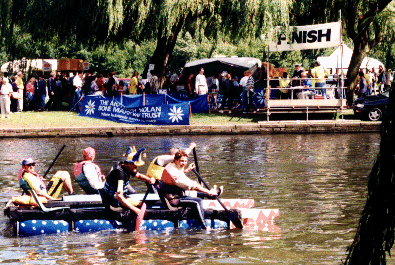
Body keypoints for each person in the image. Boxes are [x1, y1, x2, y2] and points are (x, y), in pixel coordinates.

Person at [159, 150, 221, 229]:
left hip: (176, 194)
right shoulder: (173, 171)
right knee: (198, 201)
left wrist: (187, 170)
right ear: (176, 160)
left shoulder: (172, 165)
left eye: (185, 161)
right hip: (173, 200)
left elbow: (181, 176)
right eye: (181, 161)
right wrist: (208, 191)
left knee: (194, 193)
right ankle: (204, 227)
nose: (184, 163)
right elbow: (192, 185)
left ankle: (211, 196)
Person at [100, 147, 155, 215]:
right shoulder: (120, 175)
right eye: (135, 166)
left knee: (134, 196)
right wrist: (134, 209)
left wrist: (149, 179)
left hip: (110, 196)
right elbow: (119, 196)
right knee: (141, 204)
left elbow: (138, 175)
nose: (136, 168)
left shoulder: (123, 165)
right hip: (113, 200)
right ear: (129, 164)